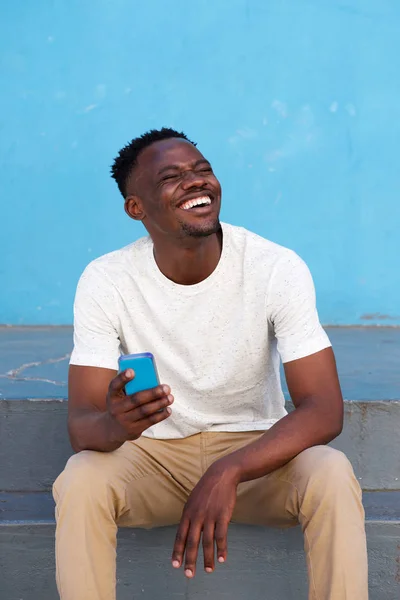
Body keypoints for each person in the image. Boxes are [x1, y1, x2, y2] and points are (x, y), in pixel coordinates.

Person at [53, 127, 368, 600]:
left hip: (255, 453)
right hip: (154, 459)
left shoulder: (274, 267)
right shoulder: (106, 279)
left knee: (331, 473)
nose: (196, 182)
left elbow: (324, 409)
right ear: (136, 208)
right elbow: (83, 427)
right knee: (80, 480)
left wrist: (229, 470)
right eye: (172, 177)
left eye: (203, 170)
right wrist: (116, 425)